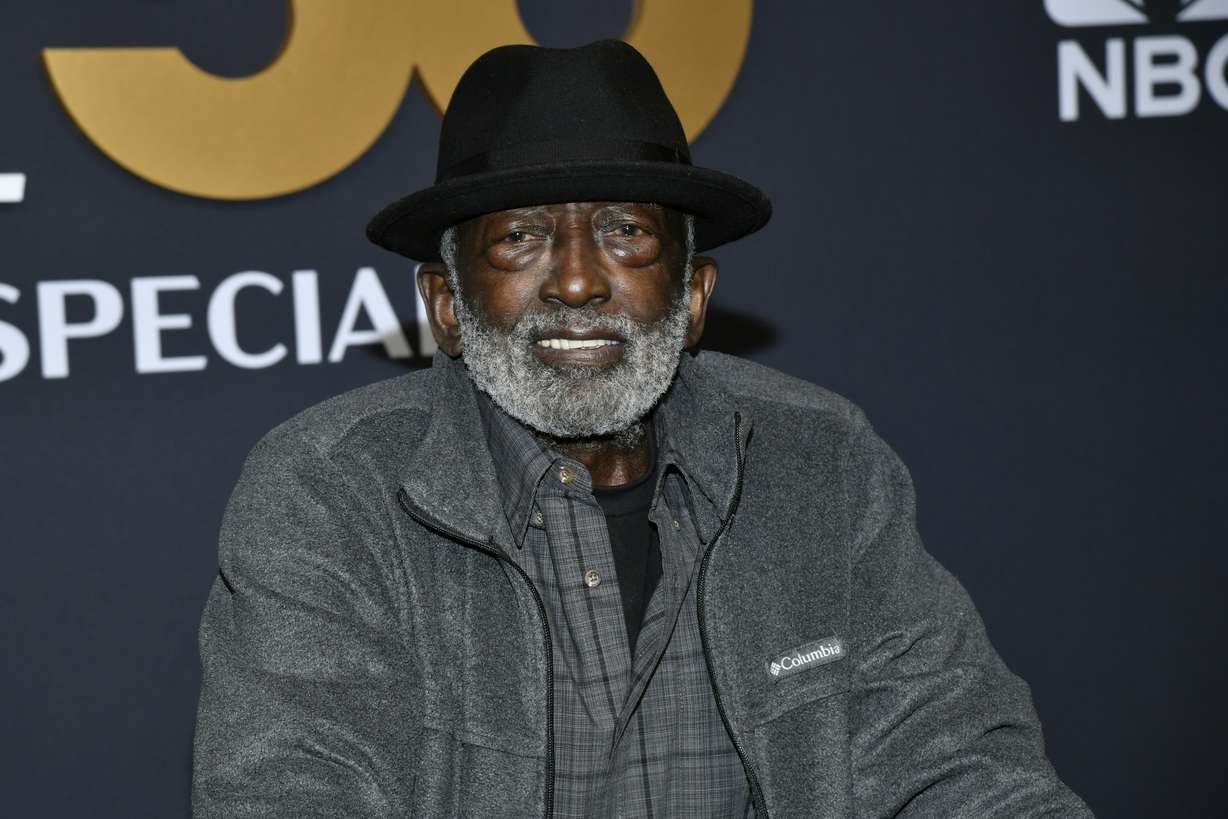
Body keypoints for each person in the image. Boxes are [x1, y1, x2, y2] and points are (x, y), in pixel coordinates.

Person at [192, 40, 1092, 818]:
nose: (578, 281)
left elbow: (956, 763)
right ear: (448, 306)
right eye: (521, 238)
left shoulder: (819, 464)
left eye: (625, 232)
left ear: (694, 299)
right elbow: (294, 789)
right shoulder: (327, 492)